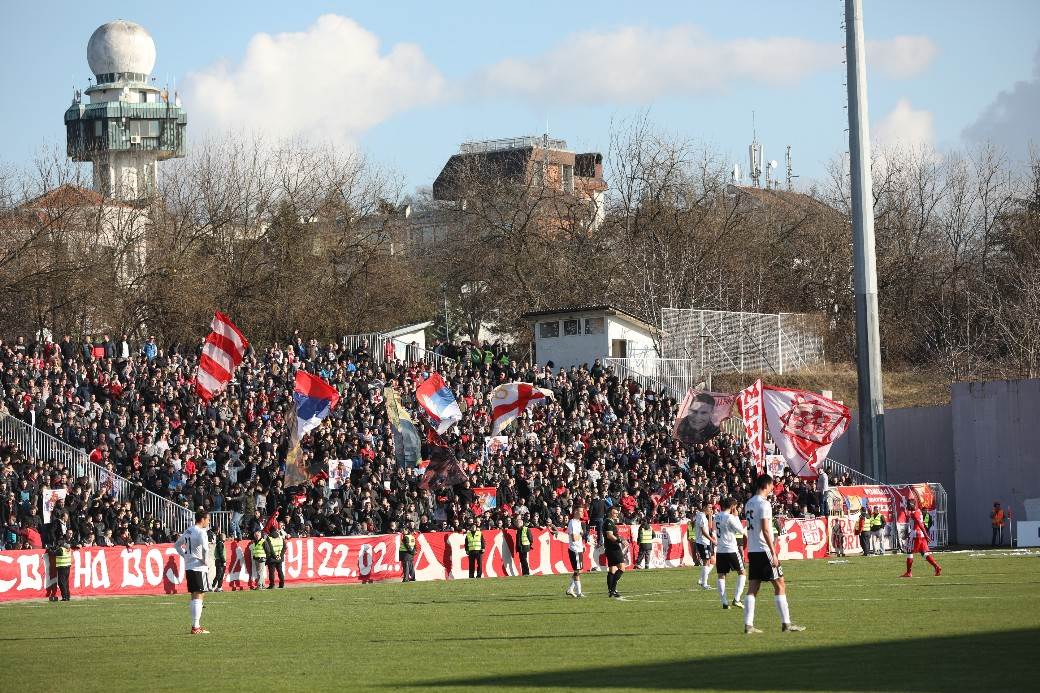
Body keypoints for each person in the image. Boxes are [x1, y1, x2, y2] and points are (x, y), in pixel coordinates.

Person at [743, 475, 804, 634]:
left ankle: (748, 625)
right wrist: (773, 552)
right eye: (772, 486)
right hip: (764, 550)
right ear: (767, 485)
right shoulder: (764, 504)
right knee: (780, 584)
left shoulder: (749, 503)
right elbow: (765, 529)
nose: (772, 489)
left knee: (753, 588)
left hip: (753, 550)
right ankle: (786, 624)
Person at [173, 509, 211, 635]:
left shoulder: (188, 530)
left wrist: (185, 556)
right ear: (203, 519)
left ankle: (196, 625)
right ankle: (196, 626)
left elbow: (177, 545)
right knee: (199, 595)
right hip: (199, 567)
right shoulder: (201, 532)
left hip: (189, 566)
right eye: (208, 519)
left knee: (194, 595)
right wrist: (205, 561)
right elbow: (205, 549)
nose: (209, 522)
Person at [714, 497, 747, 610]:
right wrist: (736, 516)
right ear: (733, 507)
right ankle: (737, 599)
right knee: (742, 573)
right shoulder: (731, 517)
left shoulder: (716, 516)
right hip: (731, 549)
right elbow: (741, 531)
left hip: (720, 550)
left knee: (721, 575)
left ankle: (724, 602)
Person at [901, 497, 942, 578]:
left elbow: (920, 524)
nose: (907, 506)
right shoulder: (918, 511)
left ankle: (909, 572)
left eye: (908, 504)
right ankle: (937, 567)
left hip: (916, 535)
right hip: (921, 535)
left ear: (912, 504)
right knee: (924, 553)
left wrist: (926, 535)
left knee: (909, 552)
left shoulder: (914, 513)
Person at [602, 506, 626, 598]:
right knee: (622, 568)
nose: (617, 514)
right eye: (615, 513)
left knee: (612, 569)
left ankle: (611, 590)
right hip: (613, 548)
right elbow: (609, 535)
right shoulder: (608, 522)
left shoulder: (610, 522)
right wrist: (620, 541)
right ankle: (613, 589)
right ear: (609, 513)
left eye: (617, 513)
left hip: (609, 547)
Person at [566, 506, 586, 598]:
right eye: (581, 511)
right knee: (577, 571)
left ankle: (570, 589)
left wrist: (582, 545)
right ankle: (578, 592)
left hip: (579, 548)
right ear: (575, 512)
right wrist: (581, 534)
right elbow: (574, 538)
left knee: (578, 570)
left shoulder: (578, 522)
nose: (582, 513)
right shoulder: (573, 522)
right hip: (575, 549)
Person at [693, 501, 714, 589]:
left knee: (710, 561)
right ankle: (704, 583)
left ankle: (702, 580)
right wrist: (712, 539)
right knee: (706, 562)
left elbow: (709, 527)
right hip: (703, 542)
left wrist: (709, 516)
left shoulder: (703, 516)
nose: (711, 509)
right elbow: (703, 531)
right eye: (709, 507)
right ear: (704, 507)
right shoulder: (701, 516)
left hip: (705, 542)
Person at [48, 531, 73, 602]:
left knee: (61, 583)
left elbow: (52, 553)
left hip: (62, 567)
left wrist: (49, 549)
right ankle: (67, 596)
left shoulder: (61, 549)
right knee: (66, 583)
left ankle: (64, 597)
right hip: (67, 567)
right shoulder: (68, 549)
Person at [264, 522, 286, 589]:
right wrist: (280, 555)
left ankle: (272, 585)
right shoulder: (280, 537)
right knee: (280, 571)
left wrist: (274, 556)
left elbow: (269, 548)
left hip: (272, 558)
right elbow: (284, 547)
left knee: (271, 572)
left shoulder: (269, 538)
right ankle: (282, 584)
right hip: (279, 557)